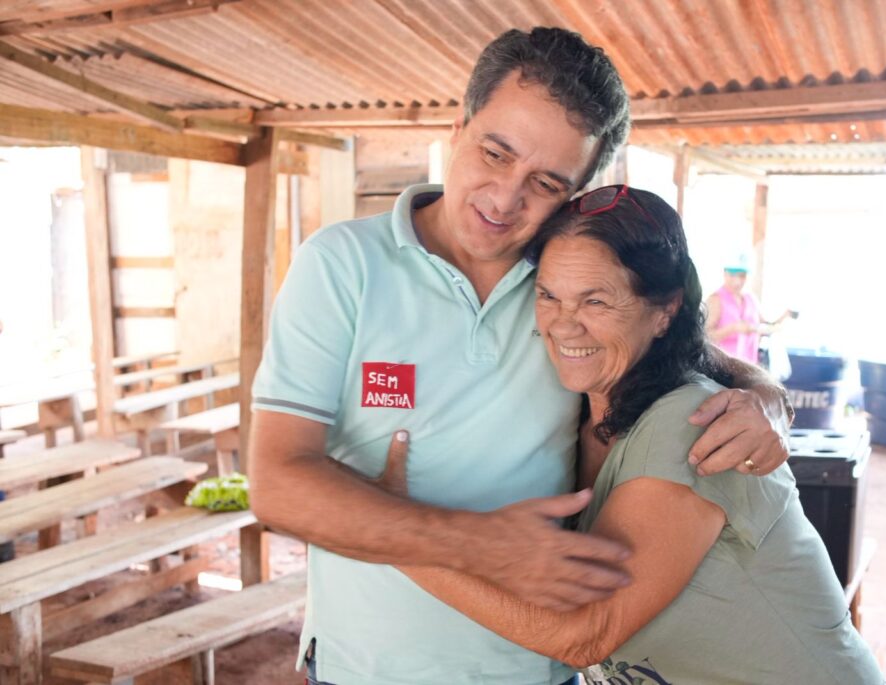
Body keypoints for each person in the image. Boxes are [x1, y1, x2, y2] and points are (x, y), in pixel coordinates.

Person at [248, 28, 793, 685]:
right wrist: (477, 540)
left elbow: (702, 359)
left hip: (537, 670)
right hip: (364, 666)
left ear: (579, 190)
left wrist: (764, 403)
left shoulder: (569, 291)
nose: (505, 199)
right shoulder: (341, 265)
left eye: (545, 182)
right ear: (458, 126)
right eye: (495, 152)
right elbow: (277, 485)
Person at [389, 186, 884, 684]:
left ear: (664, 309)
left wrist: (393, 536)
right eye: (548, 295)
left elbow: (583, 635)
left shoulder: (690, 422)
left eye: (596, 300)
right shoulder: (578, 405)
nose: (565, 326)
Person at [705, 255, 791, 364]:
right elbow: (706, 336)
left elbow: (765, 325)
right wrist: (733, 328)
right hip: (723, 365)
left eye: (742, 276)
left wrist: (783, 317)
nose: (737, 281)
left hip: (749, 364)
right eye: (732, 275)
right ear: (724, 274)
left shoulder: (750, 298)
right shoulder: (715, 299)